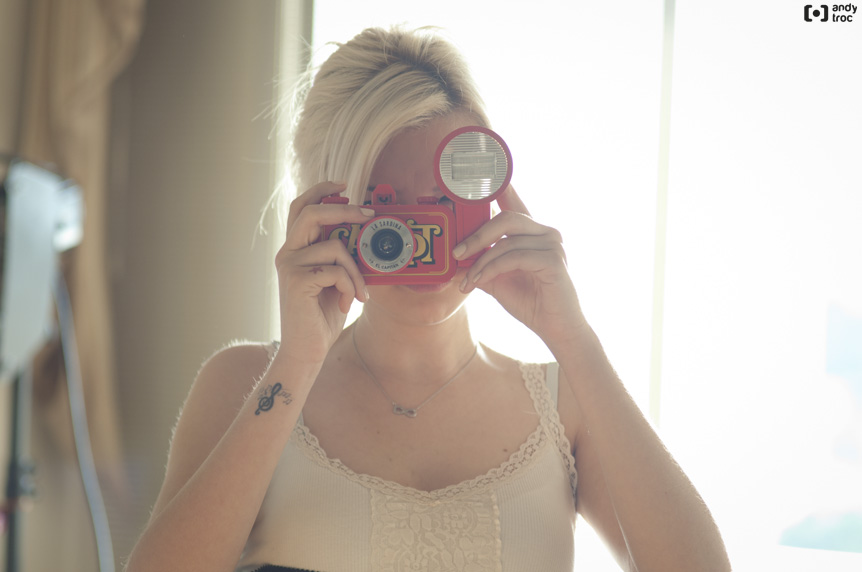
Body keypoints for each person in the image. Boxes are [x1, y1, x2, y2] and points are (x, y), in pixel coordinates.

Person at [125, 26, 731, 572]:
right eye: (389, 210)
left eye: (446, 201)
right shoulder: (248, 386)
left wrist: (575, 340)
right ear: (327, 208)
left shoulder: (564, 405)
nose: (421, 238)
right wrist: (299, 362)